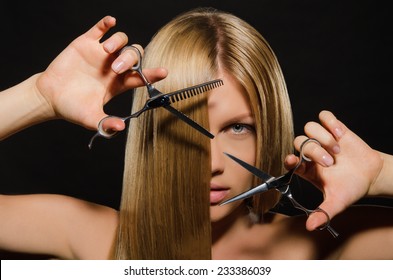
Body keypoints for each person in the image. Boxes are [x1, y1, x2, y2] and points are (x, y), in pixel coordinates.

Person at [0, 8, 392, 260]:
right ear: (150, 134)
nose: (215, 164)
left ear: (269, 130)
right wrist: (38, 96)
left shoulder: (327, 248)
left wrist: (380, 174)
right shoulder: (93, 237)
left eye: (239, 128)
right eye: (184, 126)